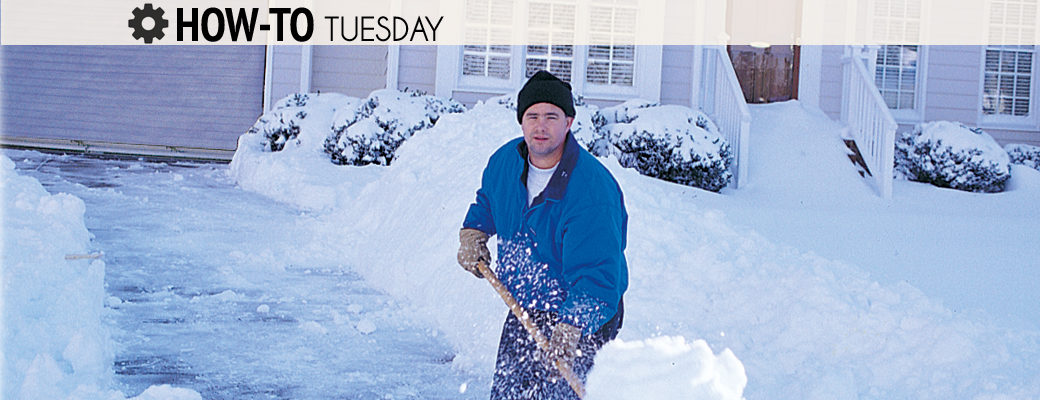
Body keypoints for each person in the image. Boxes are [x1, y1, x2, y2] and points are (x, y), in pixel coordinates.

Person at [457, 70, 629, 400]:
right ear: (522, 121)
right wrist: (474, 232)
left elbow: (600, 272)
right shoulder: (505, 163)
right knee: (510, 393)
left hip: (584, 313)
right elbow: (489, 201)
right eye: (532, 116)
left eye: (552, 116)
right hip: (527, 304)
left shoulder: (592, 190)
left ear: (569, 122)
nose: (541, 126)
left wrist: (573, 325)